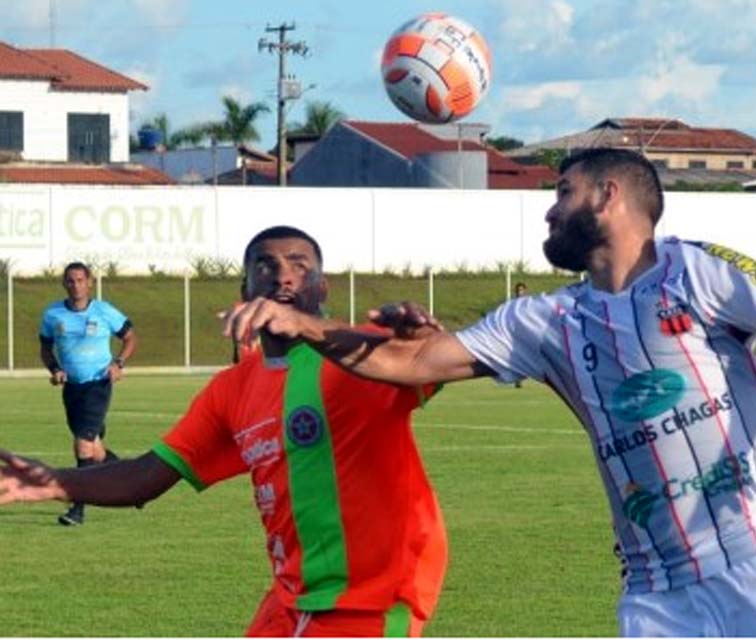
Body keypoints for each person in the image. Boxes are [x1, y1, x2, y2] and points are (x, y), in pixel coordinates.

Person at [220, 148, 756, 637]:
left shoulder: (694, 271)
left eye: (561, 191)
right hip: (652, 588)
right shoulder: (545, 319)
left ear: (609, 196)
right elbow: (405, 366)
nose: (548, 209)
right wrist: (308, 326)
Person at [3, 226, 447, 637]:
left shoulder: (365, 351)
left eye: (299, 265)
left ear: (323, 287)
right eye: (266, 266)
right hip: (291, 599)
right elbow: (148, 476)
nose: (282, 277)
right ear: (244, 292)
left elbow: (442, 360)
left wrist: (417, 337)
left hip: (368, 603)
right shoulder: (232, 390)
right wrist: (51, 482)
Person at [38, 261, 138, 526]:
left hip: (98, 384)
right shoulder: (53, 314)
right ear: (64, 283)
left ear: (90, 282)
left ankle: (78, 508)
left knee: (82, 443)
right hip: (72, 388)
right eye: (70, 280)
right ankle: (133, 481)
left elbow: (130, 336)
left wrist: (118, 363)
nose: (76, 285)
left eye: (81, 280)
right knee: (95, 450)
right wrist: (55, 369)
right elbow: (45, 348)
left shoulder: (104, 311)